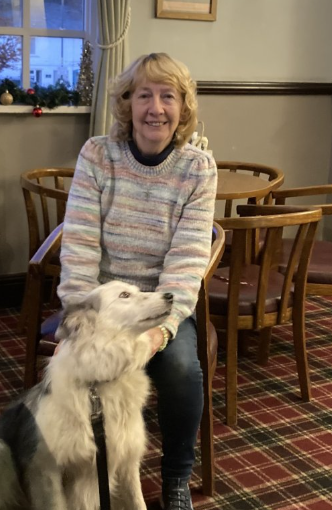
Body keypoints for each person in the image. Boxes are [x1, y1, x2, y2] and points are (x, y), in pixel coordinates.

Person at [57, 53, 216, 510]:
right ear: (126, 104)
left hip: (159, 306)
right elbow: (80, 247)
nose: (155, 108)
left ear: (184, 108)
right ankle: (73, 467)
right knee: (71, 363)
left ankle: (176, 478)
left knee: (183, 370)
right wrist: (82, 316)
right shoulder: (97, 155)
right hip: (103, 306)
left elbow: (187, 265)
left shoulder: (198, 169)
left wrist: (158, 332)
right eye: (143, 95)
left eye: (168, 96)